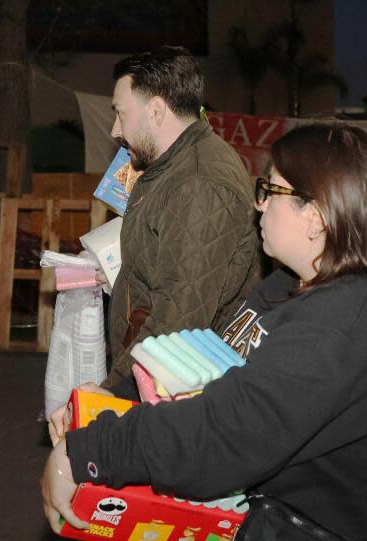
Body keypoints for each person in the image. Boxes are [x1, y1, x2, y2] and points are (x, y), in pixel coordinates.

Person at [42, 123, 367, 541]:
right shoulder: (290, 283)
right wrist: (111, 400)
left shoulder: (343, 323)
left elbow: (224, 431)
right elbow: (203, 359)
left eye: (271, 190)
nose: (258, 203)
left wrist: (89, 452)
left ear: (317, 214)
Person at [100, 46, 259, 390]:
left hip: (171, 382)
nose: (115, 129)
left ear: (155, 111)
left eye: (121, 114)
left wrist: (110, 390)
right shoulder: (171, 165)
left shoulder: (199, 184)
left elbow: (177, 322)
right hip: (154, 374)